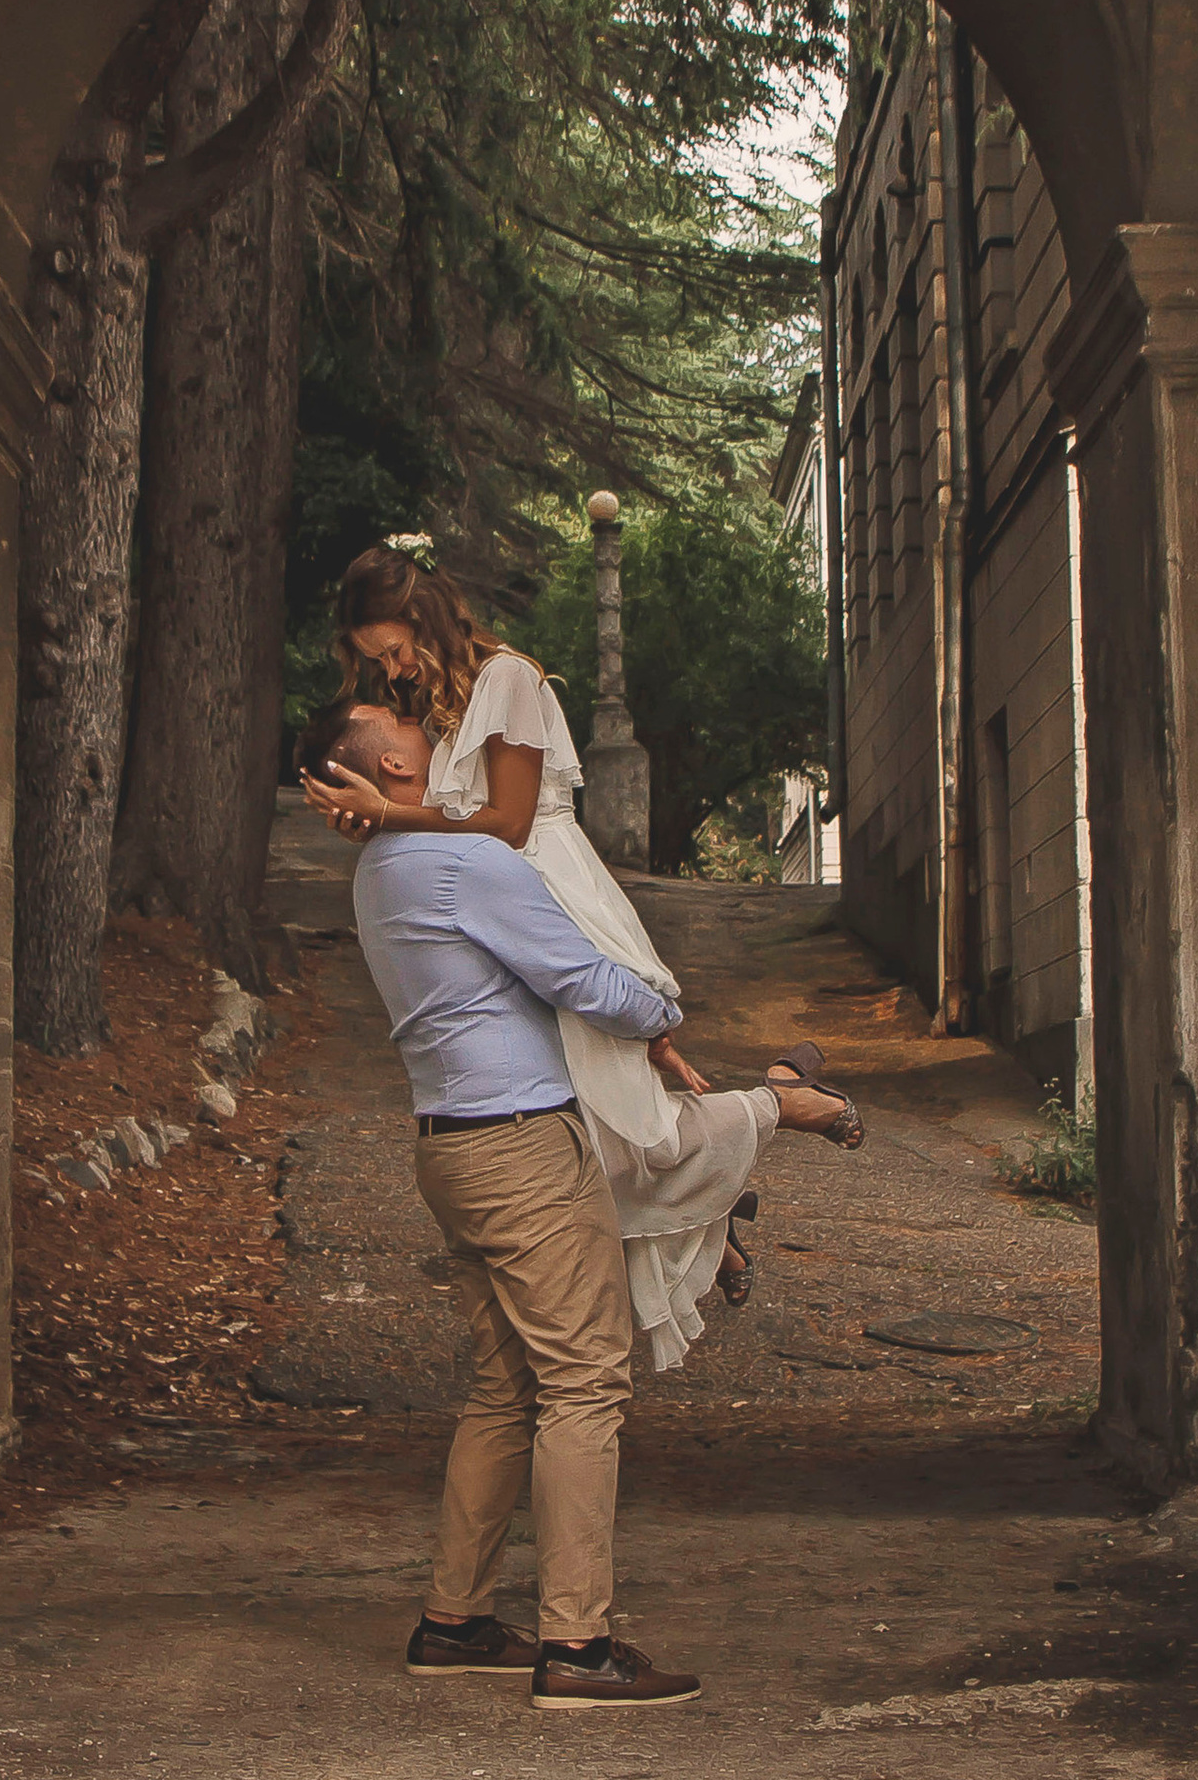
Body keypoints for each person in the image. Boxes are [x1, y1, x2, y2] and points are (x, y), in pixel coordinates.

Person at [300, 542, 862, 1370]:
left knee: (616, 1112)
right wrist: (372, 814)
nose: (393, 669)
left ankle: (776, 1105)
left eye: (392, 648)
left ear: (422, 612)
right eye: (377, 659)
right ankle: (717, 1223)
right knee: (581, 1131)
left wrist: (389, 815)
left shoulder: (511, 682)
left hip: (549, 893)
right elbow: (426, 805)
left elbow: (509, 826)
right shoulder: (438, 700)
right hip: (495, 913)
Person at [329, 696, 703, 1710]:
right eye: (394, 718)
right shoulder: (459, 861)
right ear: (390, 765)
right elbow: (580, 976)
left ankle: (452, 1622)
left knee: (506, 1384)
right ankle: (576, 1646)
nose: (419, 717)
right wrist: (663, 1009)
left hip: (448, 1145)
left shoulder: (381, 869)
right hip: (519, 1146)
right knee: (587, 1378)